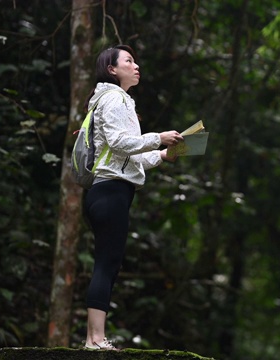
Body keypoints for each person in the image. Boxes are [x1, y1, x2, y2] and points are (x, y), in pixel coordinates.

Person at [82, 45, 183, 350]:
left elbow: (126, 157)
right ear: (112, 69)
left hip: (113, 190)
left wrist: (162, 155)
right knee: (106, 263)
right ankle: (96, 340)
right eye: (128, 61)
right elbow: (119, 142)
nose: (136, 65)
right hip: (110, 191)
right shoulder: (113, 98)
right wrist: (158, 137)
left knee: (108, 263)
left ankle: (93, 338)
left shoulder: (119, 100)